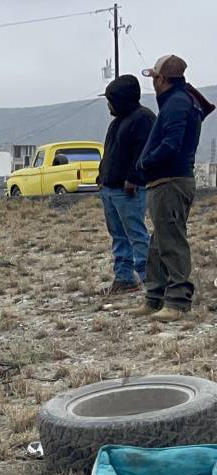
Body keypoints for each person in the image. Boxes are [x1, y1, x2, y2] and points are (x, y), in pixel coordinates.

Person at [131, 54, 214, 322]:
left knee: (171, 242)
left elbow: (170, 145)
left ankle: (177, 302)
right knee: (159, 243)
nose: (153, 82)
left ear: (162, 78)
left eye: (154, 77)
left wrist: (144, 163)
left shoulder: (177, 104)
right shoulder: (181, 100)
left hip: (171, 181)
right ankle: (155, 298)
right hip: (168, 181)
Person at [97, 75, 155, 295]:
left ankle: (151, 282)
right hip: (110, 189)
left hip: (128, 189)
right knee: (119, 237)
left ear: (122, 99)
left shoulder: (143, 119)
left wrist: (134, 179)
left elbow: (143, 153)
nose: (109, 105)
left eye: (111, 100)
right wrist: (101, 178)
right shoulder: (118, 122)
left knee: (136, 236)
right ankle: (124, 278)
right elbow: (110, 154)